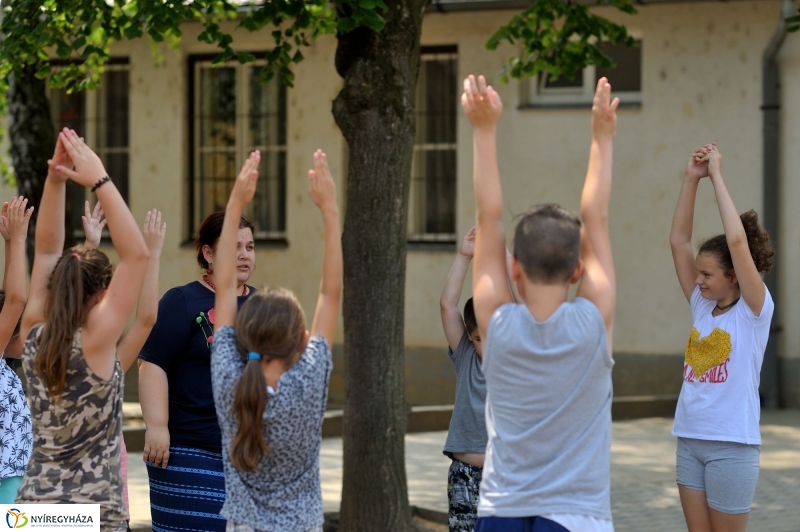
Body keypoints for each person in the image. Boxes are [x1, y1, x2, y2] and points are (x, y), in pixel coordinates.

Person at [463, 74, 618, 532]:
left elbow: (488, 219)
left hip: (502, 510)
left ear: (514, 270)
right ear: (578, 271)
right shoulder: (593, 322)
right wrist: (602, 137)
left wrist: (483, 129)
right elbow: (595, 216)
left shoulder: (497, 325)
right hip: (576, 516)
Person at [16, 129, 149, 532]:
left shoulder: (33, 333)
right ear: (103, 294)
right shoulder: (97, 340)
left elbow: (45, 250)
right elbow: (137, 255)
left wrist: (55, 179)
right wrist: (100, 178)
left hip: (32, 511)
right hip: (94, 513)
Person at [210, 149, 341, 532]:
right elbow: (330, 294)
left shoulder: (229, 382)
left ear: (242, 335)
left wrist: (235, 203)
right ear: (302, 341)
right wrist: (330, 209)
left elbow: (223, 286)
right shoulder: (309, 381)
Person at [669, 143, 774, 532]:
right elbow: (678, 241)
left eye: (707, 275)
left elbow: (737, 243)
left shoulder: (753, 312)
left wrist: (717, 176)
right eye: (697, 273)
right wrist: (691, 178)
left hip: (732, 446)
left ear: (733, 276)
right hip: (689, 440)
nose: (697, 280)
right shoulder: (702, 306)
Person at [138, 198, 257, 530]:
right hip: (187, 453)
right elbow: (152, 364)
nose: (245, 254)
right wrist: (157, 426)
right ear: (208, 253)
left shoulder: (262, 305)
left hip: (246, 457)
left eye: (250, 247)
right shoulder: (183, 301)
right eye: (234, 247)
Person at [82, 201, 166, 531]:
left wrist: (153, 254)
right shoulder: (57, 356)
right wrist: (151, 254)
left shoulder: (108, 365)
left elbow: (146, 320)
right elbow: (144, 319)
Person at [440, 226, 487, 532]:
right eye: (479, 338)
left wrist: (498, 251)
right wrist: (463, 256)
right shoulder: (466, 355)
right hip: (464, 476)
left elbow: (523, 305)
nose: (487, 345)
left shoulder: (515, 363)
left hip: (504, 479)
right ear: (470, 336)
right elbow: (448, 305)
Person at [0, 197, 33, 503]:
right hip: (6, 475)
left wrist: (10, 243)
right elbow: (15, 299)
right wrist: (20, 239)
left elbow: (8, 296)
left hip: (11, 472)